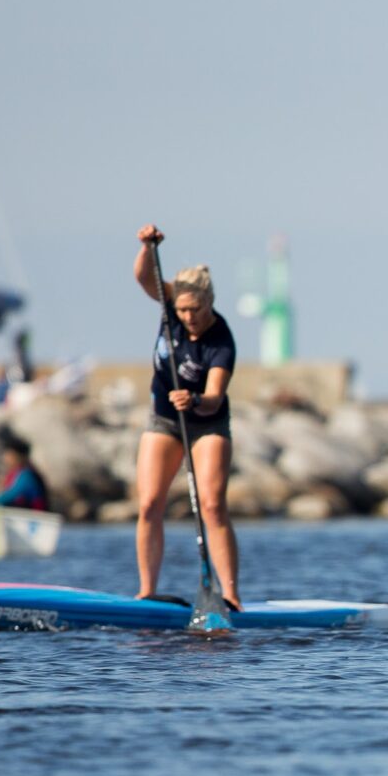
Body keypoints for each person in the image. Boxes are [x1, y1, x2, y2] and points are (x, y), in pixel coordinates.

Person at [131, 224, 241, 608]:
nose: (188, 317)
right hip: (163, 419)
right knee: (148, 504)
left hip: (206, 423)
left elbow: (213, 398)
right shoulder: (170, 308)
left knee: (212, 505)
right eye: (182, 309)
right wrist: (147, 247)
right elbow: (143, 276)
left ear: (209, 303)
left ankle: (229, 595)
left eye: (196, 310)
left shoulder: (221, 342)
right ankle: (147, 592)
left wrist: (193, 400)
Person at [0, 433, 48, 511]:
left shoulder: (27, 476)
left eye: (9, 455)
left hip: (36, 518)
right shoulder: (15, 474)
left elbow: (10, 495)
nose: (5, 458)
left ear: (19, 456)